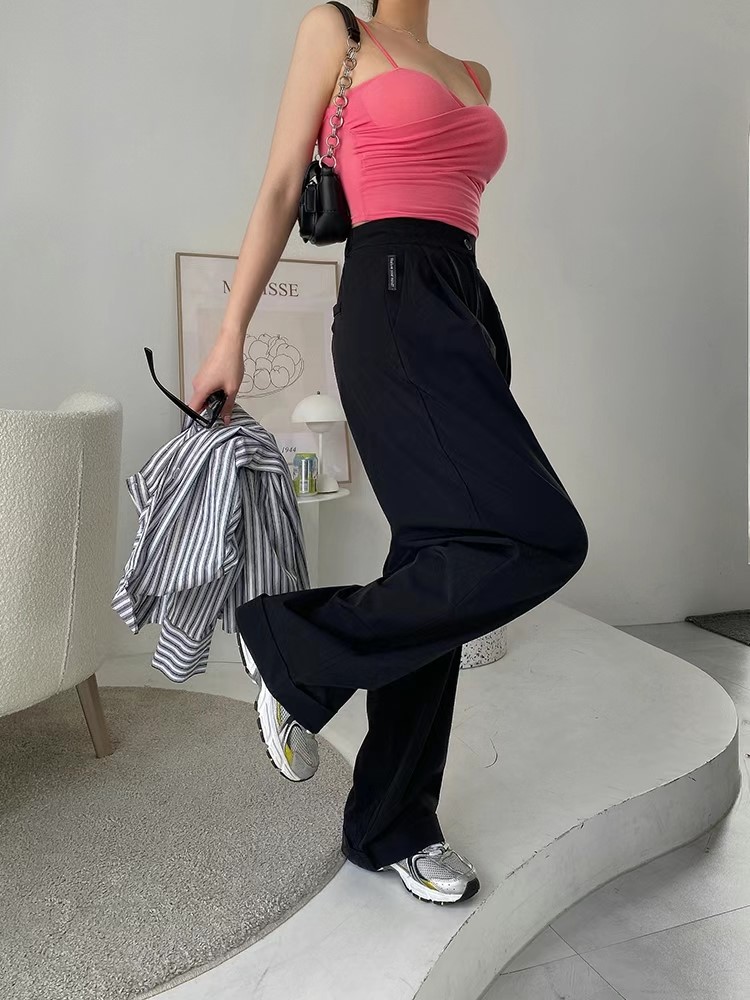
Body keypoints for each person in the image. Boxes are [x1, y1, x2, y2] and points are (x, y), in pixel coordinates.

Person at [188, 0, 589, 907]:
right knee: (543, 537)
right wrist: (230, 335)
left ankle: (392, 825)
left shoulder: (474, 75)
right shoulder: (337, 32)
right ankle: (292, 643)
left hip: (463, 303)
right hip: (393, 296)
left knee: (438, 559)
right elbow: (282, 188)